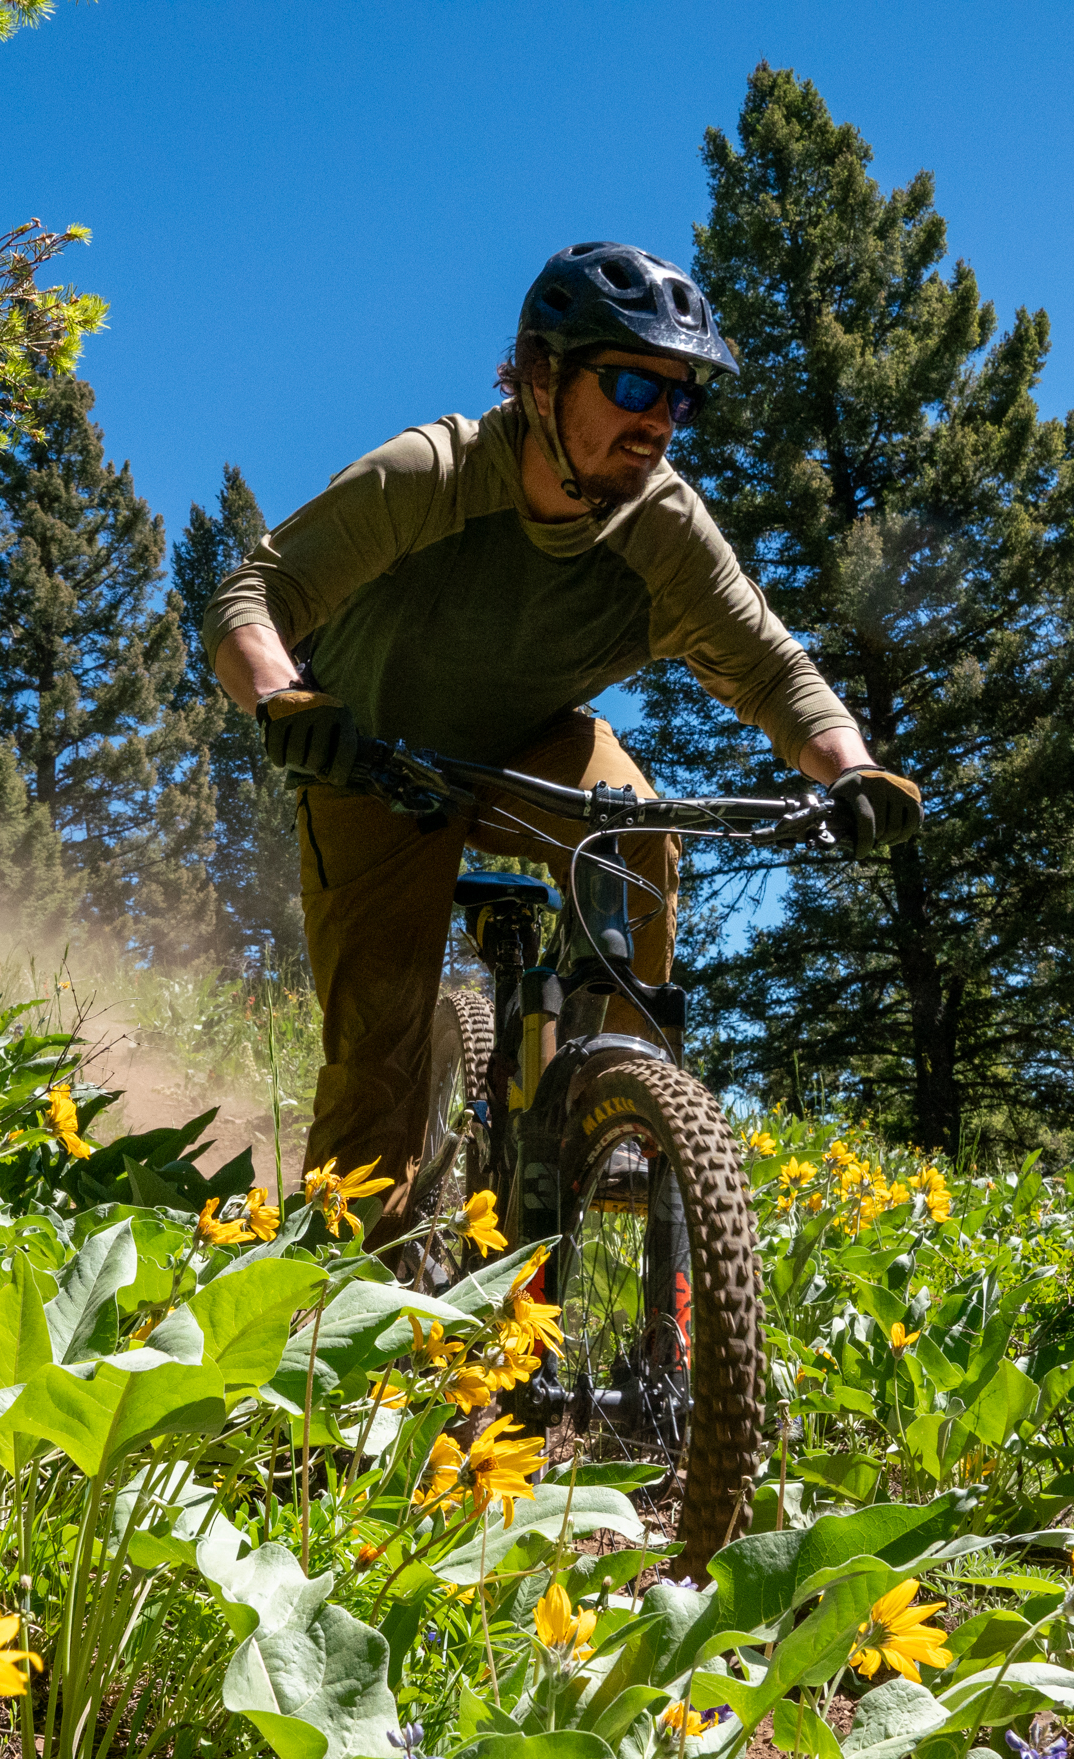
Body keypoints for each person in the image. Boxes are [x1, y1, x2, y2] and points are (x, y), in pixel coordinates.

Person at [206, 240, 919, 1234]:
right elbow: (253, 596)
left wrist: (855, 770)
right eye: (633, 382)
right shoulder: (431, 475)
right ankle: (351, 1324)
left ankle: (611, 1102)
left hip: (529, 745)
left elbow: (769, 668)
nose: (659, 421)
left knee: (637, 829)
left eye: (682, 397)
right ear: (541, 375)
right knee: (379, 1065)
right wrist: (286, 701)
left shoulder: (664, 527)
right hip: (368, 757)